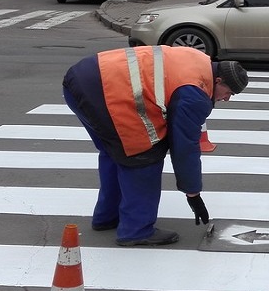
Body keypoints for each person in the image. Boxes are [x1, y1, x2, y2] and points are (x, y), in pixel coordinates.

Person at [62, 46, 249, 247]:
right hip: (109, 93)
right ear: (218, 81)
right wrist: (193, 193)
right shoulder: (195, 92)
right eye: (228, 93)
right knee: (143, 154)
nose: (226, 99)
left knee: (115, 151)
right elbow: (185, 147)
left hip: (80, 80)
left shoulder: (199, 60)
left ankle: (107, 217)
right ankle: (136, 230)